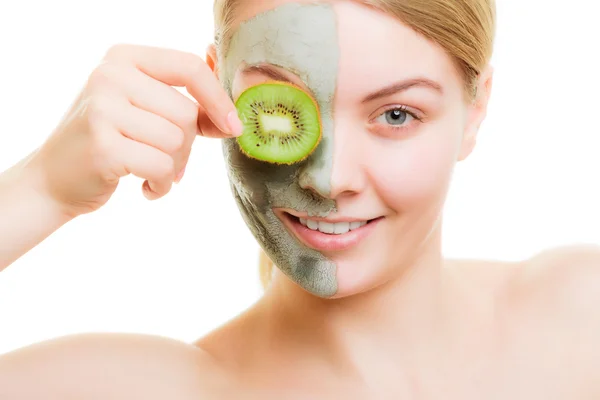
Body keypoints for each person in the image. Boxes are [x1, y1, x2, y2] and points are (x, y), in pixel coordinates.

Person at [1, 0, 599, 398]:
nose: (329, 178)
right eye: (282, 107)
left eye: (396, 114)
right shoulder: (146, 389)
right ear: (213, 88)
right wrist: (40, 190)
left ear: (476, 110)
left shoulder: (581, 313)